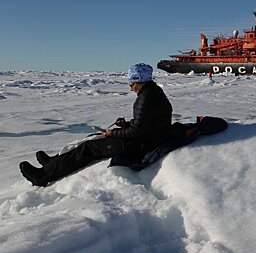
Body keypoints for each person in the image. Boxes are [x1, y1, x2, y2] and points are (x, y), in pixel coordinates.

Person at [19, 63, 173, 187]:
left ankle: (43, 176)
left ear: (140, 81)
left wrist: (112, 134)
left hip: (141, 145)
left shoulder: (146, 98)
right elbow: (146, 123)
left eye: (131, 81)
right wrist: (125, 124)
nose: (130, 86)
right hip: (147, 139)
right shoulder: (153, 92)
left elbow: (137, 132)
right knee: (92, 138)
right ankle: (54, 162)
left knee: (89, 148)